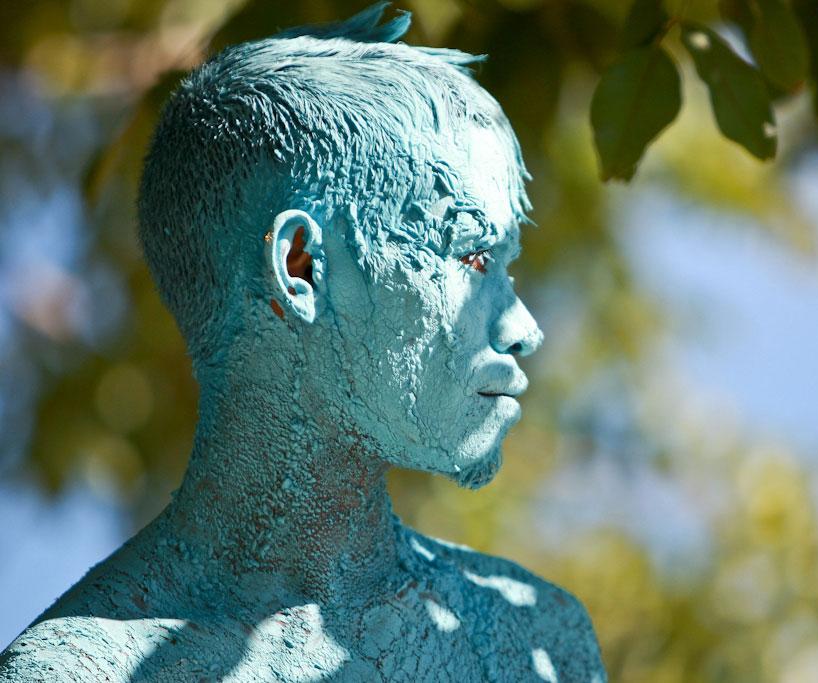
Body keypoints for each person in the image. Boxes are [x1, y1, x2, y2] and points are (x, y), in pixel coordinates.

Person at [0, 3, 606, 681]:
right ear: (300, 267)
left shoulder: (533, 642)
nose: (523, 327)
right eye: (470, 258)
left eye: (507, 264)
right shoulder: (77, 674)